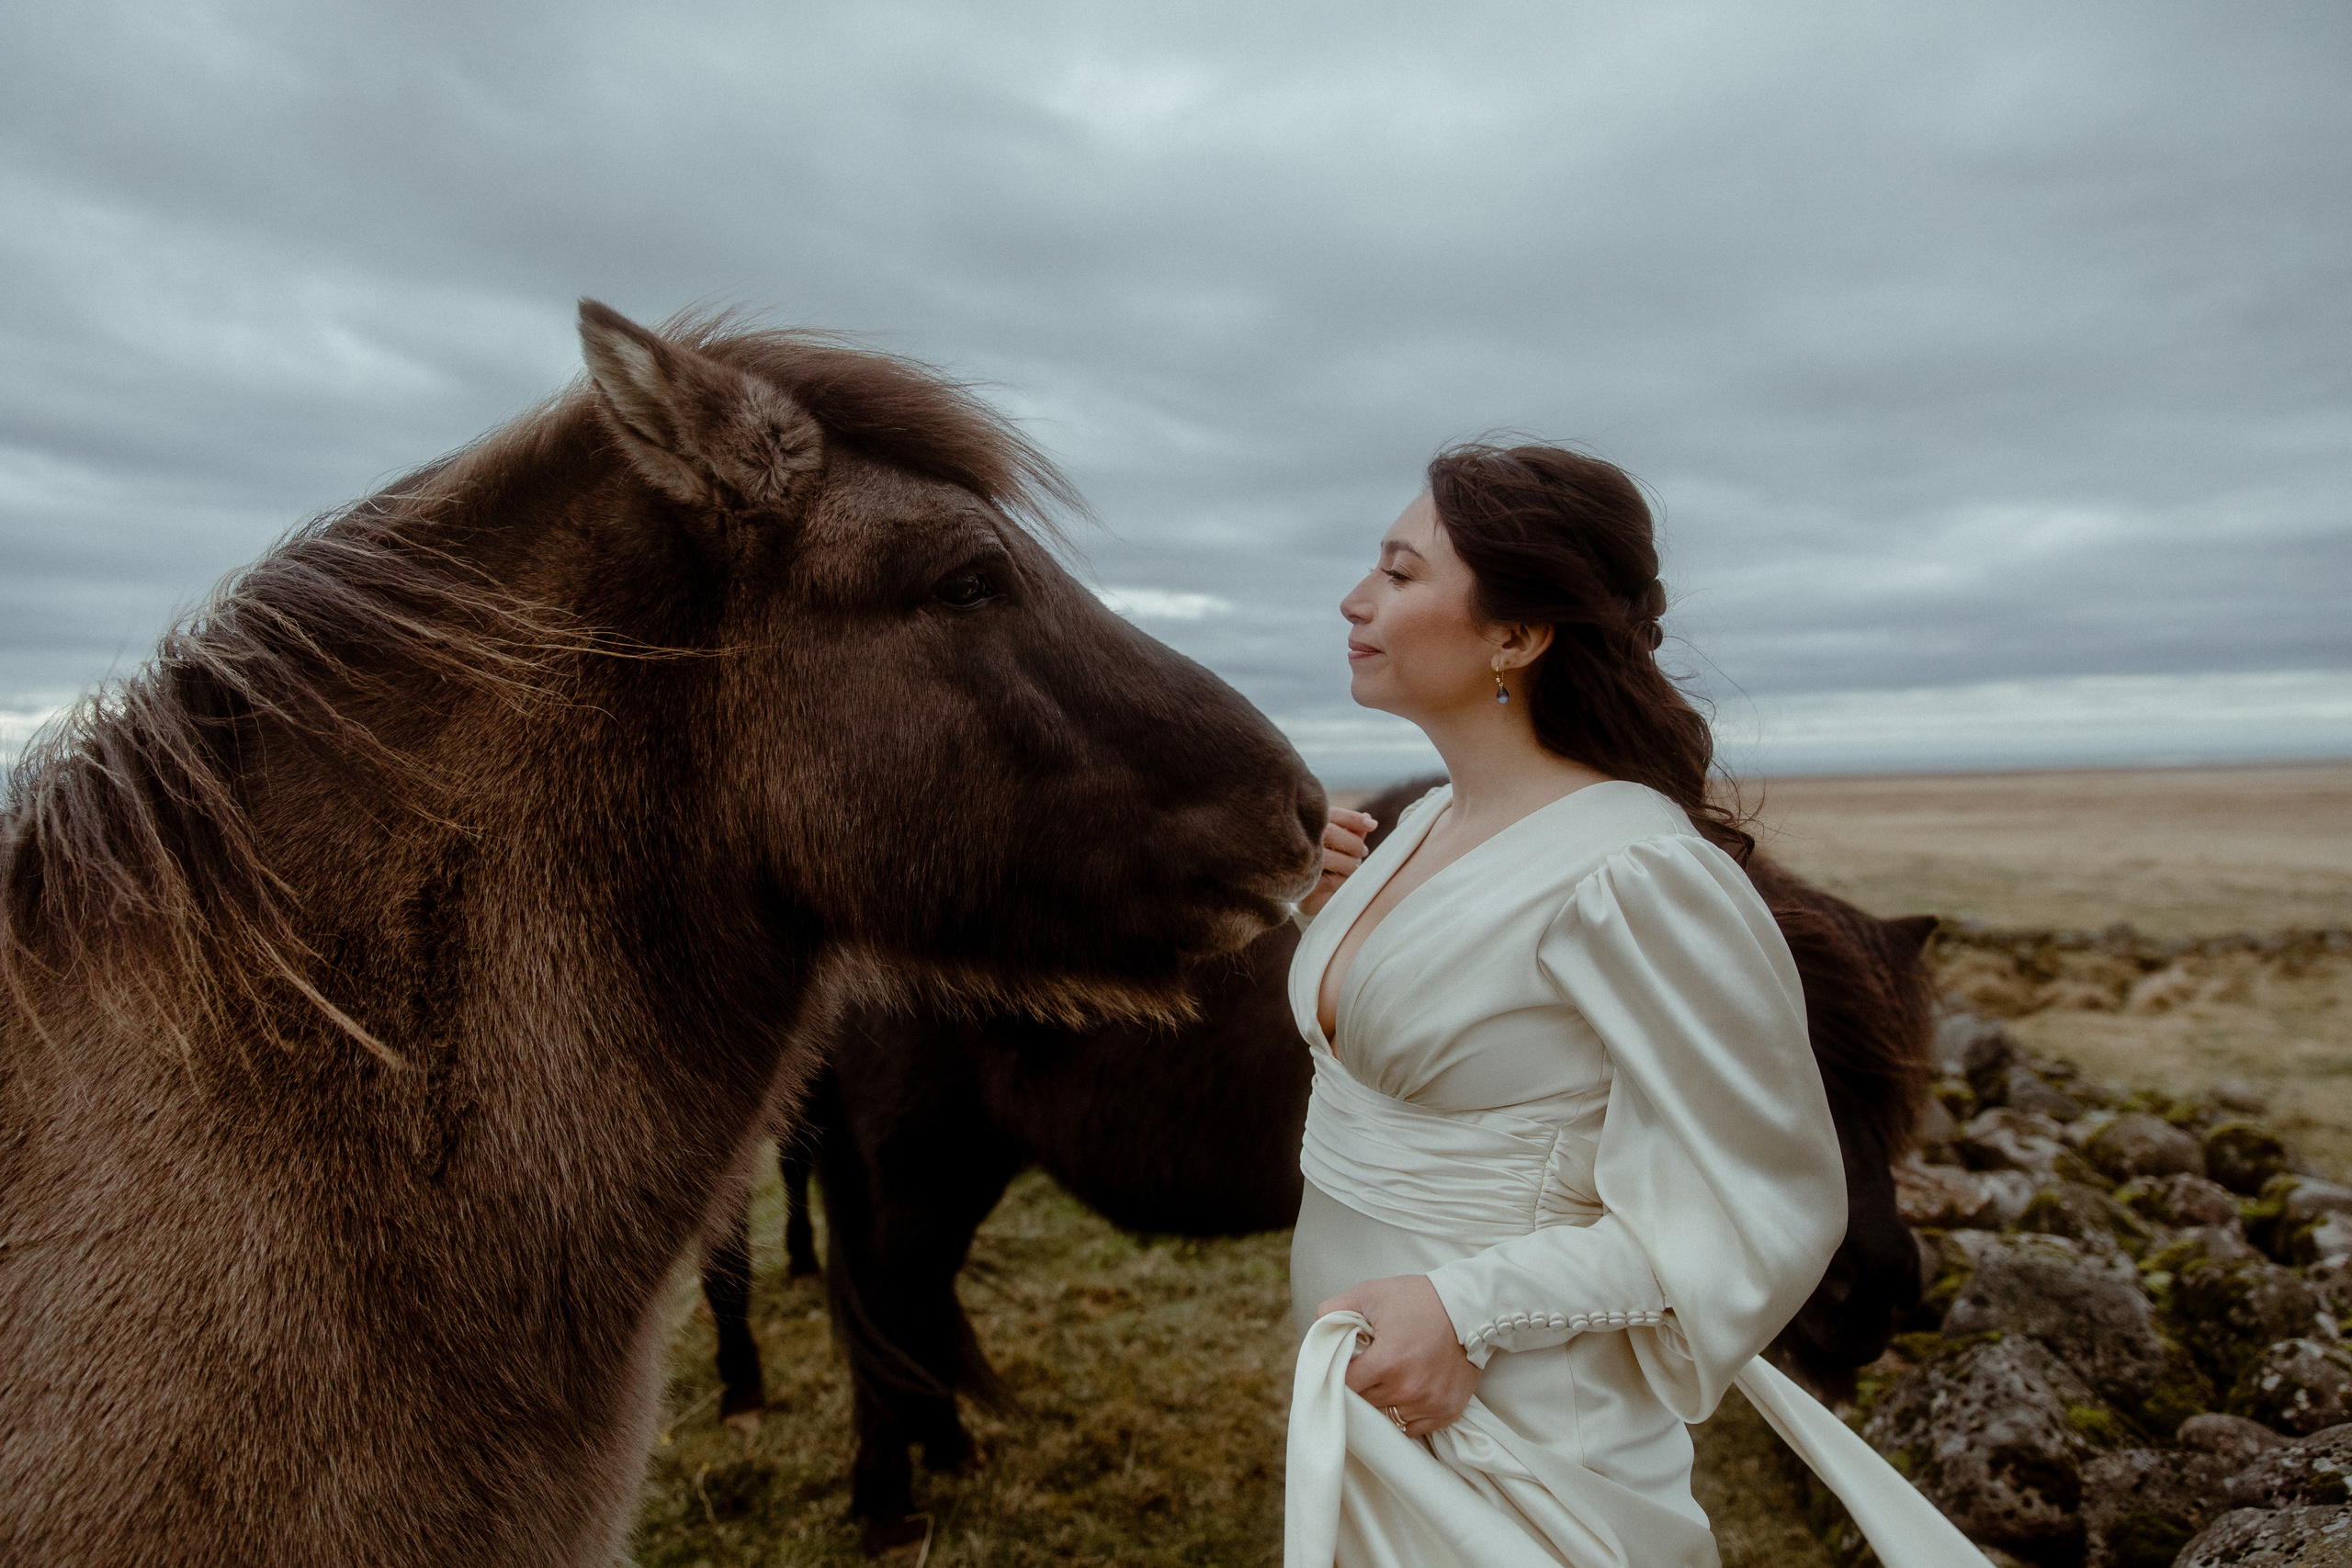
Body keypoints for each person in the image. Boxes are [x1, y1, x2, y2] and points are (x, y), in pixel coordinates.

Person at [1282, 444, 1983, 1567]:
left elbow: (1753, 1202)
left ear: (1515, 636)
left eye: (1401, 574)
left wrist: (1468, 1312)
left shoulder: (1634, 873)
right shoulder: (1418, 831)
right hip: (1365, 1377)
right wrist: (1336, 910)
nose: (1356, 600)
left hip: (1520, 1412)